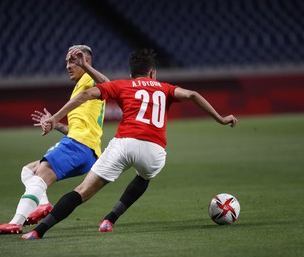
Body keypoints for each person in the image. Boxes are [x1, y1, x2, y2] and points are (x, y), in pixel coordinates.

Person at [21, 48, 238, 240]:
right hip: (154, 151)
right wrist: (220, 118)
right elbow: (192, 94)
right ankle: (110, 219)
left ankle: (37, 232)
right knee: (145, 176)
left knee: (82, 191)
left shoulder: (123, 85)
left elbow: (87, 94)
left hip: (124, 144)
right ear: (153, 73)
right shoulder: (165, 88)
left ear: (131, 74)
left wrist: (56, 118)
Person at [0, 45, 109, 235]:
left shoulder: (90, 80)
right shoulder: (79, 87)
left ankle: (16, 222)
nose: (67, 65)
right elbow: (77, 130)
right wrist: (58, 126)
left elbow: (108, 83)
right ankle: (43, 205)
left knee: (42, 172)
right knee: (29, 170)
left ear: (86, 60)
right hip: (84, 149)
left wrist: (57, 116)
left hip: (79, 146)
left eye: (72, 60)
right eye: (66, 61)